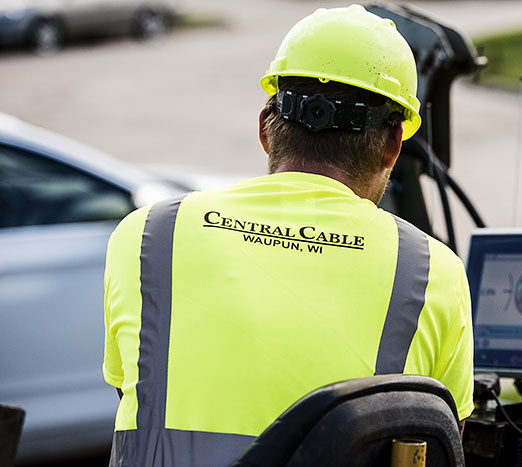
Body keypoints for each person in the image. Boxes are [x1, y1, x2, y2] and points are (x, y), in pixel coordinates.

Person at [103, 5, 474, 466]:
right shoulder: (433, 271)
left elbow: (129, 389)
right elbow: (443, 439)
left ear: (265, 128)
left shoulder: (146, 236)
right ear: (394, 145)